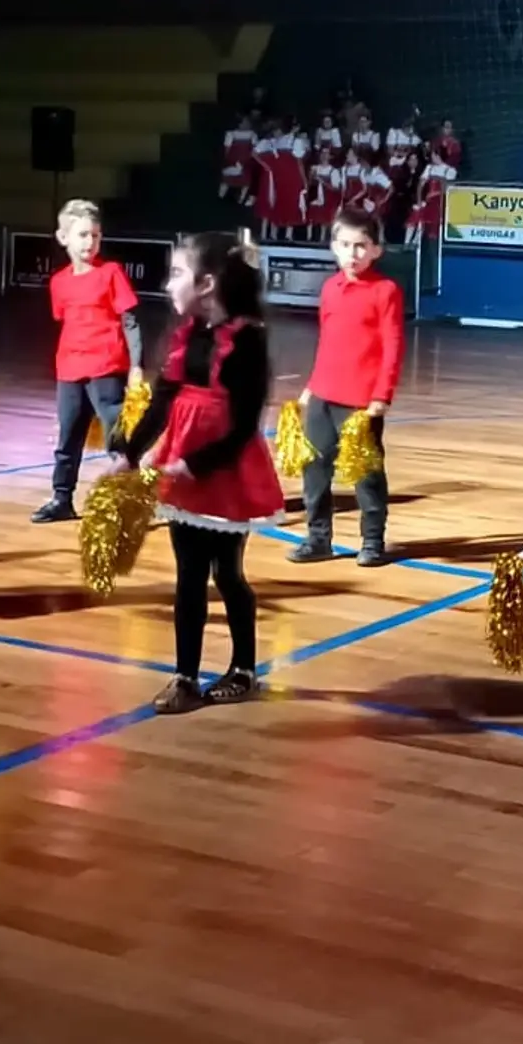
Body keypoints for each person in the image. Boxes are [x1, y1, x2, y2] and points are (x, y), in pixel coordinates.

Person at [110, 232, 284, 715]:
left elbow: (247, 426)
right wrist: (129, 449)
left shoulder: (248, 339)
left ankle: (244, 670)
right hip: (182, 471)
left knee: (227, 573)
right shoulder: (186, 332)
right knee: (188, 575)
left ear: (207, 284)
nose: (168, 285)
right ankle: (185, 677)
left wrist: (194, 463)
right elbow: (163, 398)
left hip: (223, 471)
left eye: (177, 274)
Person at [289, 208, 405, 567]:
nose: (352, 254)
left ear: (376, 250)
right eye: (345, 245)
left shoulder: (386, 291)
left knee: (366, 474)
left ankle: (372, 541)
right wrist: (312, 385)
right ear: (333, 247)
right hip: (324, 394)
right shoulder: (330, 289)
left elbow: (393, 346)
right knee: (315, 470)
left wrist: (381, 396)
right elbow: (327, 341)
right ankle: (318, 538)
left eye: (360, 246)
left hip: (361, 402)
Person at [32, 199, 143, 524]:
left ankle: (126, 501)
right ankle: (61, 498)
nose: (89, 242)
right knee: (68, 437)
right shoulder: (59, 282)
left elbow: (130, 321)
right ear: (63, 237)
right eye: (82, 235)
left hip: (107, 367)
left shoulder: (111, 273)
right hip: (69, 369)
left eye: (95, 236)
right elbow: (64, 319)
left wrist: (136, 364)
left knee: (117, 438)